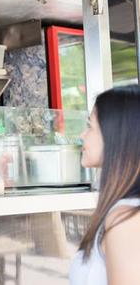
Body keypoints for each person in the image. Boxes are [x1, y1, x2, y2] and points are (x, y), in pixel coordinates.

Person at [70, 85, 140, 285]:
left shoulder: (126, 220)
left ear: (117, 136)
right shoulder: (123, 212)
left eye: (90, 126)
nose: (83, 135)